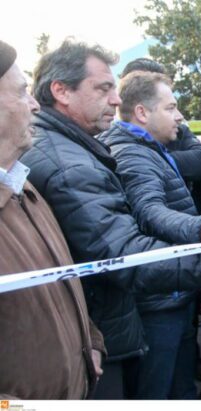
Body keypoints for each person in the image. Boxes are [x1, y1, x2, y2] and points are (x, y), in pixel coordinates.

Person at [20, 39, 201, 399]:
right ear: (61, 91)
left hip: (118, 318)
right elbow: (134, 234)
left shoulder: (104, 149)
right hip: (143, 309)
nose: (115, 100)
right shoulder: (80, 163)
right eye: (103, 88)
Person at [0, 39, 105, 400]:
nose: (34, 104)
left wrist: (90, 341)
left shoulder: (23, 186)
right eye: (21, 92)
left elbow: (59, 279)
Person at [96, 71, 201, 399]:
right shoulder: (132, 153)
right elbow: (149, 209)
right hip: (159, 306)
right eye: (171, 108)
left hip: (171, 296)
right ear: (142, 113)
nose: (180, 116)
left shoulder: (146, 148)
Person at [120, 57, 201, 214]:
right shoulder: (122, 151)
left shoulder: (178, 131)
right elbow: (151, 212)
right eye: (170, 108)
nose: (179, 116)